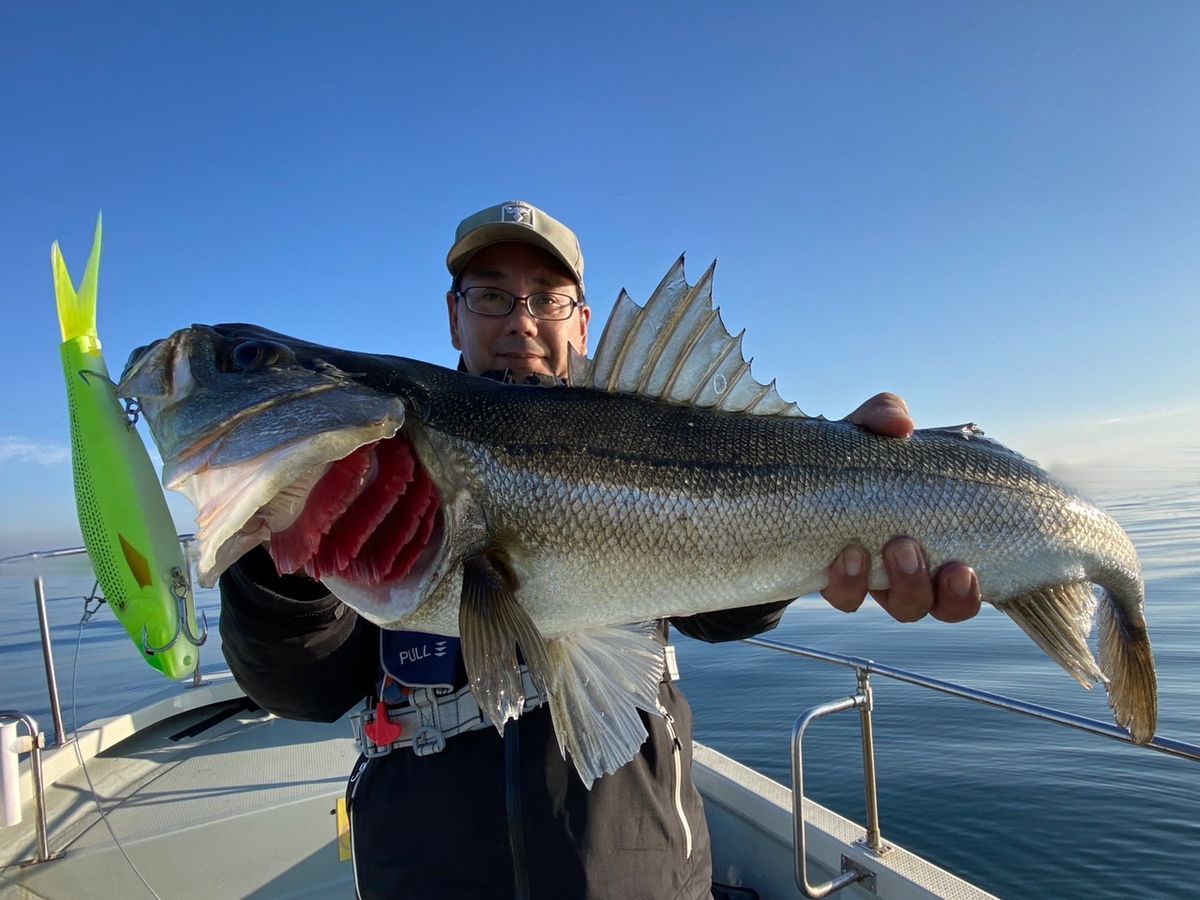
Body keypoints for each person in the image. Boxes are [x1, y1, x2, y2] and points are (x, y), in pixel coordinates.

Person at [219, 200, 981, 899]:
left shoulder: (656, 423)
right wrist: (285, 549)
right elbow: (305, 690)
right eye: (491, 294)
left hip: (640, 873)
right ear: (454, 318)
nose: (520, 322)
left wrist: (834, 500)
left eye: (547, 298)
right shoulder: (381, 468)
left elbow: (719, 616)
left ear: (581, 323)